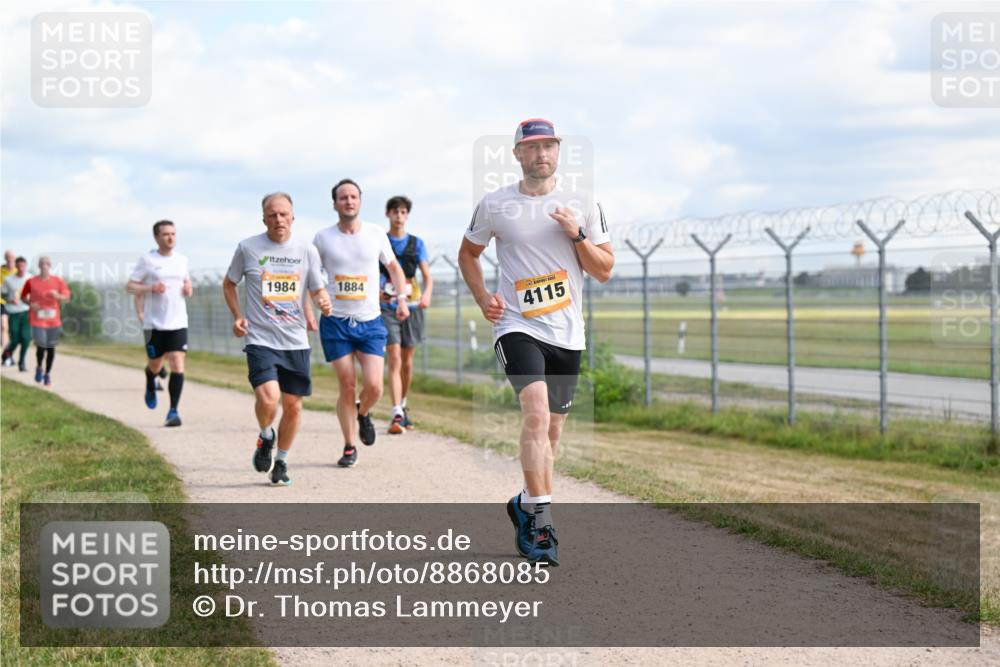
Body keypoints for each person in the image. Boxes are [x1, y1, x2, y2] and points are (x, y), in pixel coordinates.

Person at [458, 118, 614, 566]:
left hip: (567, 331)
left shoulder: (583, 203)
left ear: (558, 152)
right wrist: (483, 296)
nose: (541, 153)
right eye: (532, 147)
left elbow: (604, 269)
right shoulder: (495, 204)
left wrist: (576, 235)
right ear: (517, 155)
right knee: (536, 413)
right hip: (516, 325)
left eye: (548, 146)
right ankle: (542, 527)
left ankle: (525, 501)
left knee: (553, 431)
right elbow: (468, 253)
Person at [223, 192, 332, 486]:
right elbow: (229, 283)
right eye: (272, 214)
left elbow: (316, 288)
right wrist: (236, 315)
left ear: (292, 217)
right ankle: (266, 435)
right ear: (264, 219)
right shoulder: (247, 248)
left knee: (294, 406)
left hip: (295, 341)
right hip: (260, 338)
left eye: (283, 214)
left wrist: (322, 301)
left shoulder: (307, 251)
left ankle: (281, 462)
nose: (278, 219)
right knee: (269, 399)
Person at [313, 179, 409, 467]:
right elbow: (312, 275)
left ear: (360, 201)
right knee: (347, 384)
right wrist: (316, 300)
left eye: (353, 196)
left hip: (370, 321)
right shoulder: (322, 238)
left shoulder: (376, 234)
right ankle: (349, 445)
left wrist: (401, 297)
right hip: (336, 322)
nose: (348, 201)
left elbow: (393, 267)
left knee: (375, 386)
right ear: (335, 204)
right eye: (343, 197)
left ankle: (363, 412)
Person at [127, 221, 193, 427]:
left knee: (177, 363)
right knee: (155, 365)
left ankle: (173, 411)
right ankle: (150, 379)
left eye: (173, 233)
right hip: (154, 324)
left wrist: (188, 286)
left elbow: (186, 280)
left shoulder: (182, 260)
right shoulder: (147, 260)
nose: (170, 237)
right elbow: (129, 286)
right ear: (157, 237)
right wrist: (151, 288)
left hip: (178, 321)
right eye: (166, 234)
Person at [379, 195, 433, 433]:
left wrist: (427, 295)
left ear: (407, 216)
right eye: (394, 212)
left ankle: (403, 404)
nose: (398, 216)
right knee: (394, 357)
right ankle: (396, 413)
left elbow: (427, 276)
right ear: (388, 214)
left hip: (412, 306)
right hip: (387, 306)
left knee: (407, 362)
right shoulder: (380, 241)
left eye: (402, 212)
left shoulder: (416, 243)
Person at [20, 256, 72, 386]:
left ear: (50, 266)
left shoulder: (58, 281)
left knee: (51, 348)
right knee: (41, 346)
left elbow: (67, 297)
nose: (45, 266)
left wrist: (58, 296)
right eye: (42, 263)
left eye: (47, 263)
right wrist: (31, 304)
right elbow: (23, 297)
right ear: (39, 265)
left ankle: (47, 374)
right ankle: (39, 366)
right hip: (38, 319)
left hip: (53, 321)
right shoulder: (31, 281)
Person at [2, 257, 32, 371]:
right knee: (15, 338)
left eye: (23, 266)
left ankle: (22, 362)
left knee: (26, 338)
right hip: (13, 312)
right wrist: (10, 301)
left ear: (26, 266)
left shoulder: (30, 278)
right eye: (18, 266)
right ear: (16, 266)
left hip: (26, 310)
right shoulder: (9, 280)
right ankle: (7, 352)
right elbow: (3, 294)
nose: (21, 268)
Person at [1, 250, 15, 362]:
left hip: (17, 305)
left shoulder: (18, 271)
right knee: (4, 327)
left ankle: (9, 352)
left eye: (12, 257)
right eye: (8, 257)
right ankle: (6, 353)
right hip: (3, 303)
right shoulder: (1, 271)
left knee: (14, 331)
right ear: (5, 258)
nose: (10, 259)